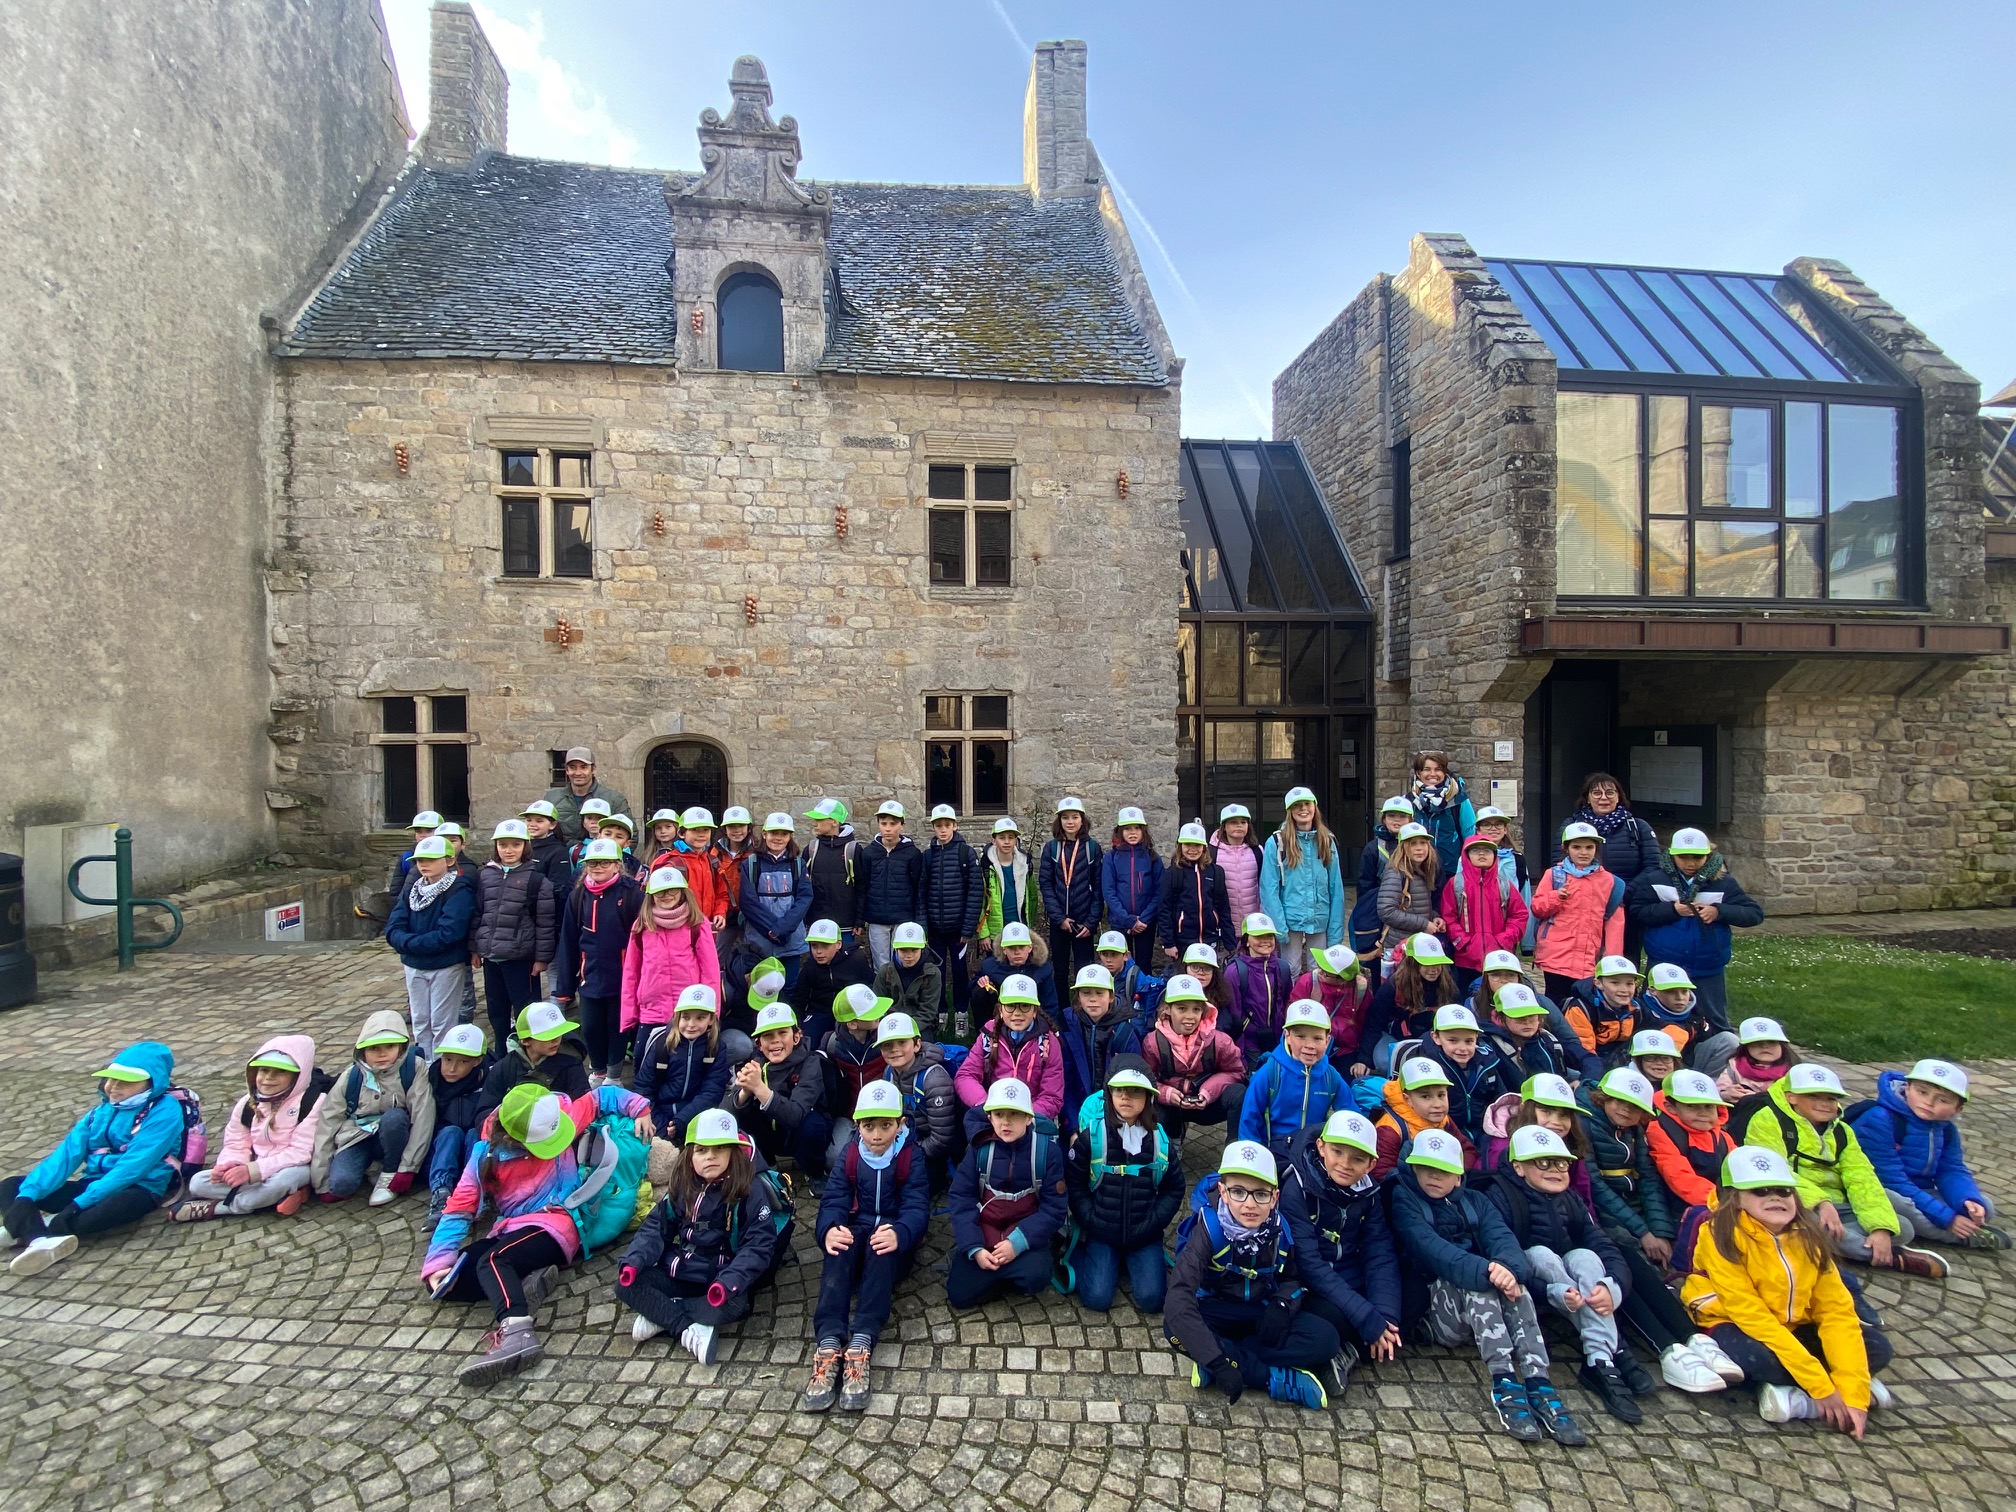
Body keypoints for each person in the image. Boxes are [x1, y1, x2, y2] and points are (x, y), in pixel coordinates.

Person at [425, 1081, 652, 1386]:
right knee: (449, 1282)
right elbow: (459, 1209)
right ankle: (528, 1280)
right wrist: (438, 1259)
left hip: (560, 1223)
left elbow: (604, 1095)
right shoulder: (484, 1155)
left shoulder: (562, 1115)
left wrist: (640, 1109)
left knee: (493, 1261)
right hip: (512, 1228)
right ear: (513, 1138)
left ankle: (517, 1330)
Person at [1389, 1128, 1586, 1445]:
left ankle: (1539, 1381)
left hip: (1480, 1301)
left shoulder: (1476, 1202)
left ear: (1459, 1175)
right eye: (1425, 1168)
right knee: (1480, 1284)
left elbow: (1507, 1244)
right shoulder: (1404, 1201)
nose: (1433, 1177)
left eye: (1443, 1170)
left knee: (1514, 1287)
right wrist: (1492, 1272)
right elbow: (1437, 1254)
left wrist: (1508, 1271)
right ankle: (1504, 1382)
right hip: (1438, 1310)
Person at [1681, 1146, 1893, 1432]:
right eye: (1760, 1190)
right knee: (1761, 1361)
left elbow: (1836, 1312)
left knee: (1878, 1348)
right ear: (1736, 1198)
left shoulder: (1809, 1237)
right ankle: (1813, 1399)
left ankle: (1813, 1396)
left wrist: (1853, 1394)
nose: (1775, 1197)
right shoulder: (1719, 1234)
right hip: (1735, 1321)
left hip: (1793, 1324)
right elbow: (1751, 1315)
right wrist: (1820, 1386)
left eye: (1783, 1190)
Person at [1575, 1068, 1742, 1394]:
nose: (1626, 1110)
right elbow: (1595, 1187)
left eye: (1635, 1107)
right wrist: (1642, 1233)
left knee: (1657, 1266)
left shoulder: (1634, 1132)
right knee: (1630, 1268)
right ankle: (1671, 1348)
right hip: (1602, 1218)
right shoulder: (1586, 1127)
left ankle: (1693, 1338)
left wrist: (1659, 1230)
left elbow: (1648, 1181)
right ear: (1603, 1098)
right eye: (1618, 1102)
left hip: (1631, 1212)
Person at [1164, 1140, 1340, 1409]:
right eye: (1238, 1192)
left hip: (1259, 1309)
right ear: (1222, 1192)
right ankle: (1272, 1379)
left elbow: (1294, 1279)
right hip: (1216, 1309)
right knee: (1174, 1327)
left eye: (1260, 1194)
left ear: (1275, 1198)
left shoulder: (1282, 1230)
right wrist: (1218, 1362)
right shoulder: (1208, 1230)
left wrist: (1283, 1304)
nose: (1249, 1203)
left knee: (1326, 1339)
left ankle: (1222, 1352)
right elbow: (1178, 1295)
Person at [1485, 1126, 1641, 1422]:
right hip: (1535, 1288)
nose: (1555, 1170)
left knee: (1585, 1256)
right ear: (1518, 1167)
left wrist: (1613, 1286)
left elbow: (1602, 1244)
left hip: (1571, 1288)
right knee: (1540, 1254)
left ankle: (1599, 1358)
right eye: (1542, 1163)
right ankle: (1614, 1346)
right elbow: (1506, 1255)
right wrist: (1553, 1292)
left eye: (1561, 1163)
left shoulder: (1570, 1199)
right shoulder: (1501, 1196)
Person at [1739, 1062, 1946, 1277]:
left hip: (1840, 1203)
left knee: (1903, 1228)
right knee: (1809, 1226)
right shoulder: (1767, 1120)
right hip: (1790, 1201)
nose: (1825, 1104)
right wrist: (1821, 1202)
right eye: (1815, 1097)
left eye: (1830, 1098)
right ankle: (1892, 1258)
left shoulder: (1842, 1131)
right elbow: (1775, 1173)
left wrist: (1880, 1228)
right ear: (1792, 1097)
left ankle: (1845, 1243)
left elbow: (1861, 1176)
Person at [617, 1107, 786, 1363]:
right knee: (625, 1284)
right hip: (682, 1269)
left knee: (735, 1305)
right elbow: (656, 1227)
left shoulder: (748, 1189)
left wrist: (729, 1280)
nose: (711, 1157)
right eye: (702, 1150)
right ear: (690, 1154)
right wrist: (635, 1260)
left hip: (720, 1278)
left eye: (719, 1149)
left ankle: (661, 1313)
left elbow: (758, 1245)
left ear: (733, 1152)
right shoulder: (683, 1182)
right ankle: (686, 1327)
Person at [0, 1043, 186, 1275]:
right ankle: (39, 1240)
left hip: (139, 1188)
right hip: (92, 1184)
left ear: (151, 1083)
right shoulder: (98, 1113)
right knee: (10, 1187)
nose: (114, 1087)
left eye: (125, 1082)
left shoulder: (166, 1111)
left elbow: (133, 1168)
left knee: (101, 1214)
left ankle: (30, 1228)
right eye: (111, 1079)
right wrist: (27, 1197)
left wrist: (79, 1204)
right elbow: (64, 1158)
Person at [805, 1082, 931, 1412]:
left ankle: (862, 1340)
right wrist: (829, 1230)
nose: (876, 1135)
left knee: (881, 1247)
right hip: (858, 1228)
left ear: (901, 1124)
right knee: (840, 1245)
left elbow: (917, 1207)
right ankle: (829, 1340)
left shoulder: (910, 1156)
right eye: (868, 1126)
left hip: (891, 1241)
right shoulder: (850, 1154)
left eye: (886, 1126)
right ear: (858, 1125)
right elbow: (834, 1200)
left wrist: (901, 1233)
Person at [1279, 1110, 1401, 1396]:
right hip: (1313, 1285)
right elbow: (1309, 1263)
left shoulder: (1369, 1194)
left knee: (1410, 1295)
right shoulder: (1296, 1188)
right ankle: (1357, 1343)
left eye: (1357, 1159)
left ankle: (1355, 1349)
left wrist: (1383, 1314)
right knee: (1330, 1320)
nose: (1345, 1164)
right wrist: (1366, 1317)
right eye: (1337, 1152)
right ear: (1321, 1147)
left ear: (1371, 1164)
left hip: (1352, 1276)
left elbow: (1379, 1253)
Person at [1065, 1057, 1183, 1313]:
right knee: (1096, 1299)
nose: (1126, 1097)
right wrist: (1090, 1219)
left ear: (1149, 1098)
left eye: (1135, 1091)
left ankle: (1124, 1262)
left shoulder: (1159, 1140)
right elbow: (1074, 1183)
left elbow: (1174, 1187)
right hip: (1102, 1230)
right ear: (1109, 1095)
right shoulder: (1093, 1137)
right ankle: (1092, 1257)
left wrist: (1154, 1221)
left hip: (1144, 1233)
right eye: (1119, 1090)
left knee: (1152, 1300)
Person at [1852, 1058, 2009, 1250]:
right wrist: (1948, 1218)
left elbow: (1951, 1170)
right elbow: (1892, 1180)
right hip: (1877, 1190)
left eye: (1943, 1100)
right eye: (1922, 1092)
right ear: (1907, 1088)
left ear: (1957, 1109)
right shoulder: (1879, 1119)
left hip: (1919, 1191)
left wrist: (1968, 1199)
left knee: (1985, 1206)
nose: (1929, 1102)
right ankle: (1961, 1237)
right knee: (1899, 1204)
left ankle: (1959, 1226)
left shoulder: (1946, 1129)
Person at [1626, 827, 1765, 1031]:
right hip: (1664, 963)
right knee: (1653, 1018)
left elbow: (1754, 914)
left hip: (1707, 966)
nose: (1690, 864)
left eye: (1697, 858)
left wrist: (1719, 912)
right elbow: (1638, 912)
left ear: (1708, 856)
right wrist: (1672, 910)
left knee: (1714, 1022)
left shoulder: (1723, 883)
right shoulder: (1656, 879)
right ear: (1673, 856)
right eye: (1684, 857)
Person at [945, 1078, 1068, 1309]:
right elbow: (961, 1198)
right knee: (959, 1295)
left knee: (1037, 1277)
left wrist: (1017, 1243)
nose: (1006, 1122)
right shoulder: (978, 1148)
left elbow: (1054, 1208)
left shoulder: (1048, 1153)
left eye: (1015, 1114)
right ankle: (995, 1271)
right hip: (984, 1231)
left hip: (1024, 1232)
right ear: (989, 1117)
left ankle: (1000, 1274)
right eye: (999, 1115)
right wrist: (975, 1247)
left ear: (1029, 1118)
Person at [175, 1036, 326, 1223]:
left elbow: (301, 1152)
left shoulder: (313, 1102)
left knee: (282, 1181)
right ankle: (279, 1197)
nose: (269, 1078)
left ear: (298, 1076)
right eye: (263, 1070)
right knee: (198, 1183)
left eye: (280, 1072)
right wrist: (230, 1165)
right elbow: (235, 1143)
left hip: (294, 1167)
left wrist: (254, 1171)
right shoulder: (247, 1103)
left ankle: (223, 1208)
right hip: (254, 1167)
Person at [312, 1013, 435, 1206]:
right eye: (374, 1048)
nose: (382, 1053)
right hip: (357, 1136)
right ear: (362, 1050)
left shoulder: (414, 1068)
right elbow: (328, 1122)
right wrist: (321, 1181)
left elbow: (423, 1117)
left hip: (395, 1135)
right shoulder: (351, 1076)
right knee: (341, 1185)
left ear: (401, 1047)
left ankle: (389, 1170)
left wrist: (407, 1168)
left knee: (394, 1118)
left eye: (390, 1047)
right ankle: (371, 1166)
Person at [552, 837, 645, 1083]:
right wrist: (564, 987)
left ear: (617, 864)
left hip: (622, 975)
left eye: (605, 862)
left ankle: (614, 1075)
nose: (598, 867)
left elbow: (642, 938)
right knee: (591, 1027)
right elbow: (569, 940)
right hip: (590, 974)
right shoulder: (579, 895)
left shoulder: (632, 893)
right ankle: (598, 1070)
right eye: (592, 863)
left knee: (618, 1027)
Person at [383, 834, 476, 1059]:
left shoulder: (459, 890)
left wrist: (409, 944)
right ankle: (424, 1064)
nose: (424, 864)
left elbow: (449, 932)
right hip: (414, 964)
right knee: (420, 1020)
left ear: (449, 860)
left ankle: (440, 1066)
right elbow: (394, 925)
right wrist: (407, 944)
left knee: (442, 1022)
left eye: (431, 859)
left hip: (444, 966)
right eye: (420, 860)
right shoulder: (412, 889)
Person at [472, 819, 559, 1053]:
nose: (508, 850)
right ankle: (502, 1052)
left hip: (521, 958)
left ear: (525, 846)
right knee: (497, 1010)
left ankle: (528, 1053)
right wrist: (475, 948)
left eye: (515, 845)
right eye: (503, 845)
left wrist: (542, 958)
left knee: (525, 1010)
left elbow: (545, 922)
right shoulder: (486, 876)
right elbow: (478, 914)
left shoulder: (537, 880)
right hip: (493, 957)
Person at [621, 868, 723, 1061]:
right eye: (660, 891)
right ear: (651, 895)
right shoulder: (641, 926)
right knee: (643, 1060)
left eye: (672, 890)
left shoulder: (697, 924)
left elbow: (710, 971)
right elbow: (631, 972)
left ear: (683, 892)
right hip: (652, 1009)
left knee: (685, 1063)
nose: (666, 895)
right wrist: (629, 1013)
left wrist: (711, 1011)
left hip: (689, 1011)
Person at [1556, 773, 1660, 958]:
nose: (1603, 798)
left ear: (1619, 796)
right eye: (1596, 793)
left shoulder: (1638, 827)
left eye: (1610, 792)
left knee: (1624, 959)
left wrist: (1622, 893)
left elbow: (1652, 866)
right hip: (1581, 907)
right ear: (1587, 797)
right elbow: (1557, 867)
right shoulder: (1571, 826)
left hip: (1627, 904)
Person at [634, 985, 734, 1171]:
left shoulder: (716, 1047)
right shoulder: (660, 1044)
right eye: (686, 1017)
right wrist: (663, 1126)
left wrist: (683, 1120)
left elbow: (712, 1091)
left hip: (695, 1115)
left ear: (711, 1019)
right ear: (677, 1016)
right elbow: (643, 1088)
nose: (691, 1024)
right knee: (655, 1162)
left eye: (700, 1017)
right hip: (659, 1115)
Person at [954, 973, 1065, 1137]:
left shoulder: (1048, 1043)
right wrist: (987, 1105)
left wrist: (1024, 1117)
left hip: (1031, 1117)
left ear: (1035, 1011)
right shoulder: (988, 1035)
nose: (1017, 1013)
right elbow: (965, 1076)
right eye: (1011, 1006)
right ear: (1000, 1009)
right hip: (993, 1115)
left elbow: (1052, 1095)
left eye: (1025, 1006)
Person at [1237, 1000, 1348, 1160]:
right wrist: (1254, 1159)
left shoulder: (1330, 1076)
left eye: (1317, 1038)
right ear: (1287, 1036)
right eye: (1300, 1036)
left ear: (1327, 1040)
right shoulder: (1269, 1073)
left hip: (1312, 1152)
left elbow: (1349, 1112)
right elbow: (1249, 1119)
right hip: (1273, 1153)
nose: (1309, 1045)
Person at [722, 1003, 826, 1174]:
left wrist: (759, 1088)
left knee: (811, 1125)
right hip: (771, 1134)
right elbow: (725, 1115)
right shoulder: (756, 1063)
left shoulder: (811, 1063)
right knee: (743, 1111)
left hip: (798, 1135)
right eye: (768, 1035)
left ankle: (814, 1172)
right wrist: (745, 1092)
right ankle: (766, 1164)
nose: (775, 1040)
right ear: (759, 1044)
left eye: (782, 1032)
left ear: (796, 1037)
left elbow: (795, 1116)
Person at [1530, 822, 1625, 1003]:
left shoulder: (1610, 882)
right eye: (1576, 847)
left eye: (1589, 847)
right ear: (1566, 849)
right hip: (1555, 956)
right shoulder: (1554, 875)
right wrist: (1556, 897)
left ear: (1596, 849)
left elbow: (1615, 924)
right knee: (1555, 1003)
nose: (1583, 852)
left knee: (1583, 1004)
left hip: (1589, 957)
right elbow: (1537, 908)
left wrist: (1611, 960)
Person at [1259, 787, 1347, 982]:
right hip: (1290, 918)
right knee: (1290, 969)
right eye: (1297, 806)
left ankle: (1317, 1009)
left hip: (1319, 916)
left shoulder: (1326, 840)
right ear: (1289, 810)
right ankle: (1290, 1007)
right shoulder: (1277, 842)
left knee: (1321, 970)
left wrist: (1335, 930)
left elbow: (1336, 888)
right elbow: (1269, 888)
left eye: (1307, 804)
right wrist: (1279, 926)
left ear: (1314, 807)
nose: (1303, 809)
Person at [1411, 1003, 1517, 1149]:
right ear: (1436, 1037)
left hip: (1484, 1131)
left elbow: (1500, 1099)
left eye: (1469, 1041)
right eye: (1453, 1041)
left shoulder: (1486, 1063)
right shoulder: (1426, 1067)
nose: (1462, 1048)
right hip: (1443, 1132)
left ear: (1477, 1039)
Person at [875, 1012, 959, 1191]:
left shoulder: (934, 1079)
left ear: (917, 1044)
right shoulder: (889, 1072)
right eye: (887, 1045)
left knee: (911, 1185)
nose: (894, 1049)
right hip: (908, 1138)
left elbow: (942, 1139)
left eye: (902, 1042)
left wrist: (907, 1153)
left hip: (933, 1149)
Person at [920, 803, 985, 1035]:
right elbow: (922, 892)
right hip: (935, 929)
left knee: (959, 972)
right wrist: (923, 926)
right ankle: (940, 1012)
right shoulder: (928, 856)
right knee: (936, 972)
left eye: (947, 825)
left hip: (958, 929)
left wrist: (968, 928)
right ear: (934, 828)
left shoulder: (965, 853)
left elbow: (975, 892)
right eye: (939, 826)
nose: (943, 830)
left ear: (955, 826)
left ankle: (960, 1012)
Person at [818, 983, 895, 1172]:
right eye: (871, 1012)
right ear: (852, 1024)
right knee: (833, 1159)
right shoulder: (831, 1044)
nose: (880, 1013)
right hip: (848, 1115)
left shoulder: (887, 1036)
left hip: (883, 1111)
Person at [1359, 932, 1461, 1072]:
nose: (1434, 969)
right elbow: (1374, 1022)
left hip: (1433, 1039)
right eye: (1427, 963)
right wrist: (1363, 1059)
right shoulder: (1393, 986)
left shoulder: (1448, 984)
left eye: (1438, 963)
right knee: (1385, 1063)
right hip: (1395, 1038)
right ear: (1412, 963)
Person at [1058, 963, 1145, 1125]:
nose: (1093, 999)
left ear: (1111, 996)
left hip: (1117, 1115)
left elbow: (1134, 1085)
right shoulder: (1068, 1026)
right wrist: (1073, 1128)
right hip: (1077, 1111)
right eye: (1086, 993)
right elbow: (1065, 1082)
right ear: (1078, 996)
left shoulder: (1126, 1032)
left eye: (1099, 993)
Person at [423, 1024, 493, 1224]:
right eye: (447, 1060)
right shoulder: (431, 1080)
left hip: (475, 1149)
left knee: (473, 1133)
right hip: (441, 1152)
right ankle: (441, 1192)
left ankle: (477, 1189)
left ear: (478, 1060)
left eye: (462, 1062)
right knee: (450, 1132)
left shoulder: (488, 1078)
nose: (452, 1068)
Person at [1442, 834, 1528, 992]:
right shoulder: (1456, 884)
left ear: (1495, 856)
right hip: (1465, 959)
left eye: (1487, 851)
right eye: (1475, 850)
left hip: (1499, 957)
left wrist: (1503, 940)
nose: (1482, 854)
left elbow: (1519, 915)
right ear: (1466, 855)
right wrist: (1464, 942)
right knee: (1465, 997)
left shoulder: (1504, 885)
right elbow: (1449, 917)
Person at [479, 1001, 592, 1121]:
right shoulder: (504, 1068)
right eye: (547, 1035)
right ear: (525, 1041)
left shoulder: (571, 1063)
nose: (556, 1040)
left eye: (559, 1032)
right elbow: (484, 1112)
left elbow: (584, 1105)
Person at [1372, 1057, 1479, 1181]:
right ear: (1407, 1099)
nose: (1437, 1104)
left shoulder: (1442, 1119)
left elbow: (1466, 1149)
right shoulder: (1391, 1129)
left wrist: (1457, 1175)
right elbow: (1382, 1174)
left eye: (1441, 1095)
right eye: (1426, 1096)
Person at [1646, 1069, 1736, 1214]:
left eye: (1709, 1106)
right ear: (1671, 1107)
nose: (1703, 1113)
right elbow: (1679, 1177)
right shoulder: (1660, 1130)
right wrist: (1724, 1204)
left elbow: (1738, 1170)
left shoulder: (1723, 1137)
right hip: (1678, 1210)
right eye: (1692, 1106)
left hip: (1721, 1205)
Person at [739, 814, 814, 981]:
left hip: (790, 936)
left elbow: (805, 898)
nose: (778, 838)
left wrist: (782, 928)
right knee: (760, 983)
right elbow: (748, 901)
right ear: (764, 834)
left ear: (790, 837)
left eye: (784, 834)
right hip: (759, 937)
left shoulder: (798, 864)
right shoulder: (750, 864)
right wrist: (771, 929)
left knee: (789, 983)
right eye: (774, 833)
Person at [1040, 797, 1105, 986]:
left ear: (1082, 820)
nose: (1070, 822)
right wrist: (1059, 918)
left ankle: (1083, 1013)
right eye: (1065, 817)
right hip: (1059, 920)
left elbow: (1099, 887)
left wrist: (1091, 922)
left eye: (1075, 817)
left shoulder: (1092, 848)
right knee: (1059, 970)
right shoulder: (1051, 848)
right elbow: (1046, 884)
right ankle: (1060, 1012)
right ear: (1059, 821)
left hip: (1084, 921)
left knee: (1085, 971)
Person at [1639, 964, 1739, 1081]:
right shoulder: (1640, 1011)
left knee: (1729, 1040)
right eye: (1671, 992)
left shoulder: (1695, 1012)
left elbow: (1704, 1039)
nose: (1680, 997)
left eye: (1684, 991)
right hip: (1651, 1066)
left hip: (1687, 1061)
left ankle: (1708, 1086)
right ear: (1653, 991)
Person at [856, 801, 925, 971]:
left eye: (893, 824)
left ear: (902, 825)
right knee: (881, 965)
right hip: (876, 918)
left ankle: (901, 997)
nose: (888, 828)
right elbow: (862, 886)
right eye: (883, 823)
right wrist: (859, 918)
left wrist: (919, 920)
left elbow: (918, 889)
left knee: (902, 963)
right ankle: (883, 995)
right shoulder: (869, 853)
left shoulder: (912, 854)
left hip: (903, 918)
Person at [976, 816, 1048, 979]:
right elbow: (979, 902)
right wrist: (983, 932)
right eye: (1002, 838)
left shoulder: (1025, 863)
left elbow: (1032, 897)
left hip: (1020, 927)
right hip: (995, 931)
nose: (1007, 842)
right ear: (994, 840)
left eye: (1011, 837)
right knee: (996, 974)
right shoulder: (985, 867)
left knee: (1021, 971)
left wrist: (1029, 924)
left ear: (1016, 840)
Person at [786, 919, 873, 1052]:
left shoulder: (856, 959)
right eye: (814, 946)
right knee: (805, 1045)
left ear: (838, 944)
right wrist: (795, 1024)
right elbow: (799, 999)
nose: (818, 951)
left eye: (825, 946)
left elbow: (869, 988)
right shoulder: (810, 966)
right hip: (819, 1012)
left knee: (851, 1044)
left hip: (850, 1013)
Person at [1486, 982, 1596, 1085]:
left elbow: (1589, 1059)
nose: (1527, 1022)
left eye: (1532, 1016)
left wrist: (1582, 1085)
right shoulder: (1493, 1045)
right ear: (1500, 1018)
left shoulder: (1547, 1038)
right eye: (1519, 1017)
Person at [1350, 796, 1413, 974]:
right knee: (1379, 961)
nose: (1397, 820)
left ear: (1411, 819)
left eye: (1402, 816)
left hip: (1412, 913)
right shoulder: (1373, 848)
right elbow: (1364, 887)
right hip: (1380, 914)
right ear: (1383, 819)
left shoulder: (1420, 846)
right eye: (1392, 815)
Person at [1158, 819, 1234, 966]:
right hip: (1182, 941)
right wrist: (1168, 943)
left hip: (1210, 938)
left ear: (1204, 847)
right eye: (1187, 845)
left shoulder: (1216, 872)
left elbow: (1224, 909)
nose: (1192, 849)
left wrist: (1230, 944)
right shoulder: (1173, 873)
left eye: (1197, 845)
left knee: (1209, 979)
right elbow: (1164, 910)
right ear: (1180, 846)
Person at [1221, 913, 1295, 1063]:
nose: (1265, 941)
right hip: (1249, 1043)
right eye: (1259, 937)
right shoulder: (1235, 972)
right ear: (1246, 940)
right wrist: (1239, 1056)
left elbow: (1287, 1004)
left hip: (1278, 1041)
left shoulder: (1282, 967)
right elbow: (1234, 1016)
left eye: (1269, 936)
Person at [1296, 945, 1373, 1081]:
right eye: (1320, 967)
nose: (1319, 972)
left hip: (1346, 1050)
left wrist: (1363, 1059)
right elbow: (1292, 1019)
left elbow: (1368, 1025)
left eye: (1326, 972)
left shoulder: (1360, 989)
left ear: (1343, 979)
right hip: (1309, 1047)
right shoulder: (1308, 982)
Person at [1101, 807, 1163, 972]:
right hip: (1120, 922)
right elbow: (1108, 891)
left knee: (1143, 965)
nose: (1132, 832)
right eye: (1127, 828)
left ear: (1144, 831)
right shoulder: (1111, 857)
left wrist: (1143, 919)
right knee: (1121, 967)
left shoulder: (1152, 857)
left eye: (1137, 828)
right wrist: (1128, 920)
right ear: (1120, 832)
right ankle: (1122, 997)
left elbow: (1159, 891)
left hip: (1145, 923)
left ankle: (1143, 997)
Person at [1559, 956, 1646, 1070]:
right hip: (1585, 1062)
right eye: (1615, 983)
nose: (1624, 990)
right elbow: (1583, 1051)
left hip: (1618, 1058)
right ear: (1598, 983)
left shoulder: (1636, 1008)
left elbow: (1659, 1025)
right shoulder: (1582, 1009)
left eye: (1629, 984)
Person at [1375, 822, 1442, 962]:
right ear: (1403, 847)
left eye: (1423, 843)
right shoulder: (1395, 873)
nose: (1419, 848)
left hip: (1415, 945)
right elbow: (1386, 911)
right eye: (1412, 844)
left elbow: (1416, 906)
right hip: (1399, 947)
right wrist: (1424, 924)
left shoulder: (1422, 871)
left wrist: (1434, 917)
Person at [1407, 751, 1477, 883]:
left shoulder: (1458, 800)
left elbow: (1470, 836)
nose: (1432, 774)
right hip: (1416, 870)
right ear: (1418, 773)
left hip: (1451, 872)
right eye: (1427, 769)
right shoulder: (1409, 801)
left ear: (1444, 772)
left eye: (1438, 769)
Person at [969, 922, 1057, 1023]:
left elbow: (1050, 1003)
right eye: (1011, 948)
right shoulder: (991, 966)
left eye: (1021, 947)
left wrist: (1048, 1029)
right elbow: (970, 988)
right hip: (1002, 1015)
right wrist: (980, 981)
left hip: (1032, 1017)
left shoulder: (1042, 968)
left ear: (1030, 948)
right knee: (979, 992)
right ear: (1004, 950)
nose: (1017, 952)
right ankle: (986, 1033)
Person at [541, 746, 630, 844]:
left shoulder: (613, 799)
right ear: (566, 770)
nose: (578, 773)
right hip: (558, 856)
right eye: (572, 767)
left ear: (593, 770)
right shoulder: (552, 798)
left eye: (584, 767)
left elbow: (630, 834)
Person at [802, 799, 863, 940]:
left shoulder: (853, 850)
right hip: (816, 922)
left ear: (835, 822)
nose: (814, 823)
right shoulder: (811, 848)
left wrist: (859, 920)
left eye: (819, 819)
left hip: (846, 924)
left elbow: (861, 886)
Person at [873, 922, 944, 1040]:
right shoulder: (884, 972)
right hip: (890, 1023)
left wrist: (906, 1030)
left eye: (914, 950)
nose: (909, 955)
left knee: (923, 1050)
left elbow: (928, 1012)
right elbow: (877, 1005)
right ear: (895, 949)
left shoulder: (933, 974)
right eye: (903, 950)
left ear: (923, 948)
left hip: (920, 1024)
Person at [1209, 804, 1264, 936]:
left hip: (1252, 920)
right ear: (1224, 826)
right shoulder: (1211, 853)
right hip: (1223, 923)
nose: (1238, 825)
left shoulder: (1258, 851)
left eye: (1243, 822)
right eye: (1233, 822)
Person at [1717, 1016, 1796, 1102]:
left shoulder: (1792, 1071)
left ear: (1783, 1046)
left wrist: (1758, 1099)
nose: (1765, 1046)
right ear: (1746, 1047)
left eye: (1772, 1042)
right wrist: (1725, 1093)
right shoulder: (1735, 1066)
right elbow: (1718, 1089)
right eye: (1757, 1043)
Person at [1096, 929, 1163, 1023]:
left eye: (1114, 954)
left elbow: (1156, 987)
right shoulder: (1096, 976)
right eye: (1105, 954)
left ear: (1126, 956)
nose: (1108, 960)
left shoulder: (1135, 977)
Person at [523, 800, 574, 900]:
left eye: (539, 821)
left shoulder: (558, 851)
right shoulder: (522, 845)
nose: (532, 824)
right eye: (529, 820)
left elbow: (557, 887)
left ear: (552, 825)